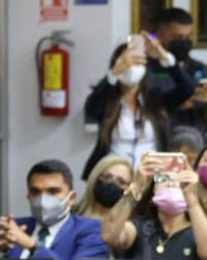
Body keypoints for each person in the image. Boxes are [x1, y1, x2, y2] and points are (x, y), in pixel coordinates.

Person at [100, 152, 207, 260]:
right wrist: (137, 187)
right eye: (163, 179)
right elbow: (108, 236)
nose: (171, 184)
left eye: (178, 181)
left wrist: (192, 198)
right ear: (153, 191)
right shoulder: (140, 227)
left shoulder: (200, 230)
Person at [0, 159, 110, 260]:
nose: (42, 199)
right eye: (35, 191)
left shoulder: (89, 230)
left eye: (53, 191)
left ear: (71, 198)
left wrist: (32, 246)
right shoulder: (17, 226)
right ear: (28, 196)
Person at [81, 39, 193, 180]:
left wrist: (166, 58)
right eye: (126, 62)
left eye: (137, 61)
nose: (131, 67)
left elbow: (187, 89)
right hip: (114, 178)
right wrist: (114, 72)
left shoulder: (155, 99)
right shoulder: (107, 98)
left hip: (150, 178)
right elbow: (92, 107)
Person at [152, 8, 207, 134]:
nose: (183, 41)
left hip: (198, 143)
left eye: (188, 36)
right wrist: (180, 103)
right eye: (177, 37)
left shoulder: (201, 69)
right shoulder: (150, 70)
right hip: (166, 144)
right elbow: (149, 115)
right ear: (161, 35)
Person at [73, 153, 134, 222]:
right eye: (107, 177)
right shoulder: (70, 215)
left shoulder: (127, 228)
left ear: (129, 188)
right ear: (96, 177)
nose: (112, 184)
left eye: (121, 182)